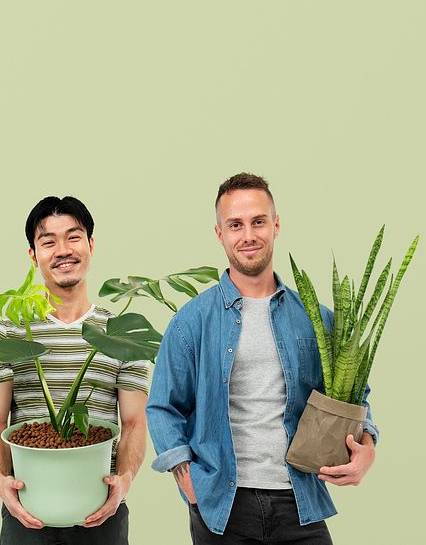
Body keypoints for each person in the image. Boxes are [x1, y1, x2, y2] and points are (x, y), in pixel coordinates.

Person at [146, 173, 378, 544]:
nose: (248, 235)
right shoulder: (192, 321)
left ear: (276, 225)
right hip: (222, 504)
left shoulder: (316, 317)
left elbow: (355, 397)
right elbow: (162, 407)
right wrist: (187, 479)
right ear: (220, 233)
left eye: (258, 222)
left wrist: (368, 447)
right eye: (235, 225)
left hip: (299, 499)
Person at [0, 195, 149, 545]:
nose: (63, 250)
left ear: (91, 244)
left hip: (101, 510)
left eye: (73, 237)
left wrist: (126, 480)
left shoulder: (121, 334)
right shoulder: (10, 332)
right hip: (27, 510)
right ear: (33, 255)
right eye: (48, 241)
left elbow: (133, 421)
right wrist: (0, 480)